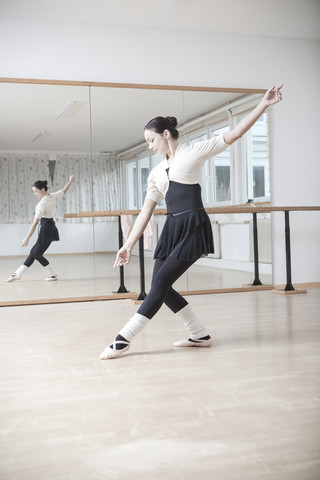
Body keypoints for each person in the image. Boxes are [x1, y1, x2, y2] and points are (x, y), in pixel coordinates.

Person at [100, 84, 283, 360]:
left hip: (193, 226)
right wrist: (127, 245)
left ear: (165, 134)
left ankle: (124, 338)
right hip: (172, 229)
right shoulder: (157, 173)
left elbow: (235, 133)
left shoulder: (193, 151)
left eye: (151, 141)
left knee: (160, 282)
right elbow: (145, 212)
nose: (149, 147)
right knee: (161, 286)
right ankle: (200, 334)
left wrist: (263, 104)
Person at [6, 175, 75, 283]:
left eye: (36, 192)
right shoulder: (52, 196)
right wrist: (70, 180)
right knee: (34, 252)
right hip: (50, 227)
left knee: (36, 254)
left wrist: (26, 238)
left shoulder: (42, 204)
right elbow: (63, 190)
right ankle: (17, 274)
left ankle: (52, 275)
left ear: (43, 190)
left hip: (46, 229)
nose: (35, 194)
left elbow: (34, 224)